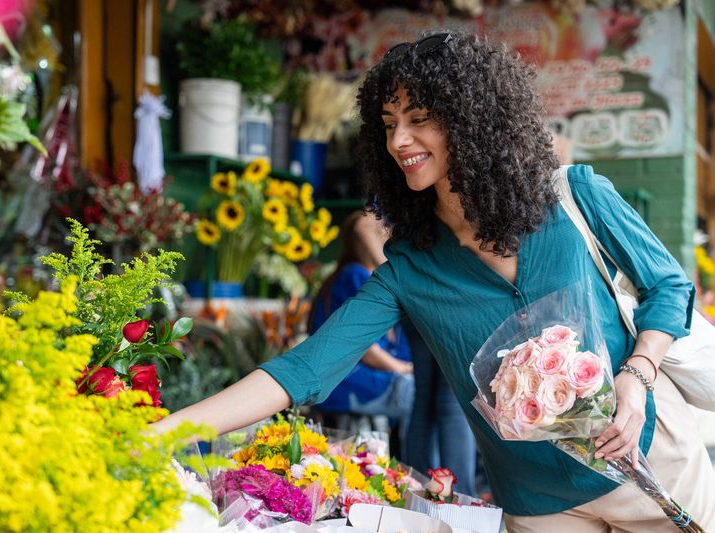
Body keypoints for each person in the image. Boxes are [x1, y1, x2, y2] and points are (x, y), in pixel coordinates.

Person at [155, 32, 715, 531]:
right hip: (543, 506)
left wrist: (637, 379)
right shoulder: (410, 269)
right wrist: (169, 431)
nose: (400, 140)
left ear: (472, 121)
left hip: (652, 460)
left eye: (419, 118)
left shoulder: (574, 198)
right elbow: (304, 368)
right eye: (388, 123)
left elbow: (668, 286)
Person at [308, 210, 414, 432]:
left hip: (356, 381)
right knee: (424, 396)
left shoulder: (354, 274)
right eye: (382, 232)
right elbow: (364, 347)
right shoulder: (355, 274)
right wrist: (403, 368)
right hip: (350, 383)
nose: (389, 236)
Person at [402, 319, 477, 496]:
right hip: (457, 308)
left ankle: (418, 491)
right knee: (453, 404)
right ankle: (458, 498)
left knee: (423, 398)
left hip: (416, 303)